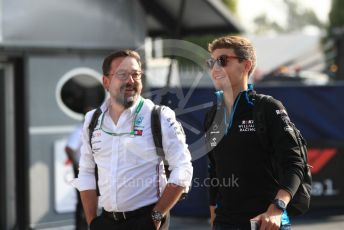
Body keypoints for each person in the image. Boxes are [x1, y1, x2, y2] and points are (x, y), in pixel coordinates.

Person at [72, 49, 193, 230]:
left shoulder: (159, 116)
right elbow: (87, 172)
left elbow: (183, 168)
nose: (130, 81)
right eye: (122, 74)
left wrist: (157, 216)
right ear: (106, 81)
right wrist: (92, 221)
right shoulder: (92, 120)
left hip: (146, 220)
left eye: (136, 75)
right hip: (105, 221)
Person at [204, 36, 305, 230]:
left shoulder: (267, 107)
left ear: (246, 65)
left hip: (265, 221)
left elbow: (294, 163)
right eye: (211, 62)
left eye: (222, 60)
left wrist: (277, 209)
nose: (215, 68)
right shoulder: (211, 115)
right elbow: (214, 170)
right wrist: (214, 218)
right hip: (225, 222)